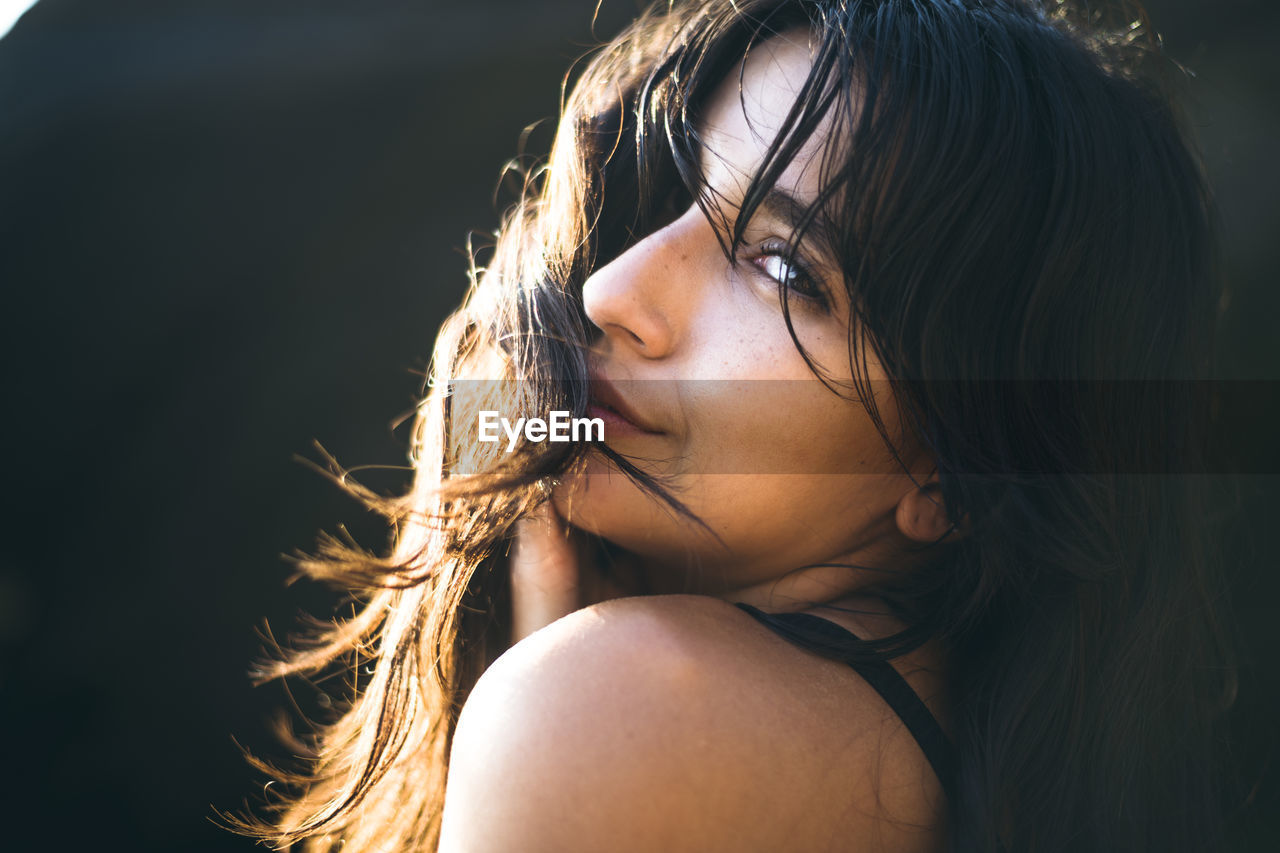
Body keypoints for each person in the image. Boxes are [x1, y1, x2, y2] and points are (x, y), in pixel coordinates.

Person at [238, 1, 1234, 850]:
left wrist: (558, 700)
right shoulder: (966, 759)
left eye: (784, 268)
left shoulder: (621, 707)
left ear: (951, 476)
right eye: (673, 198)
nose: (612, 289)